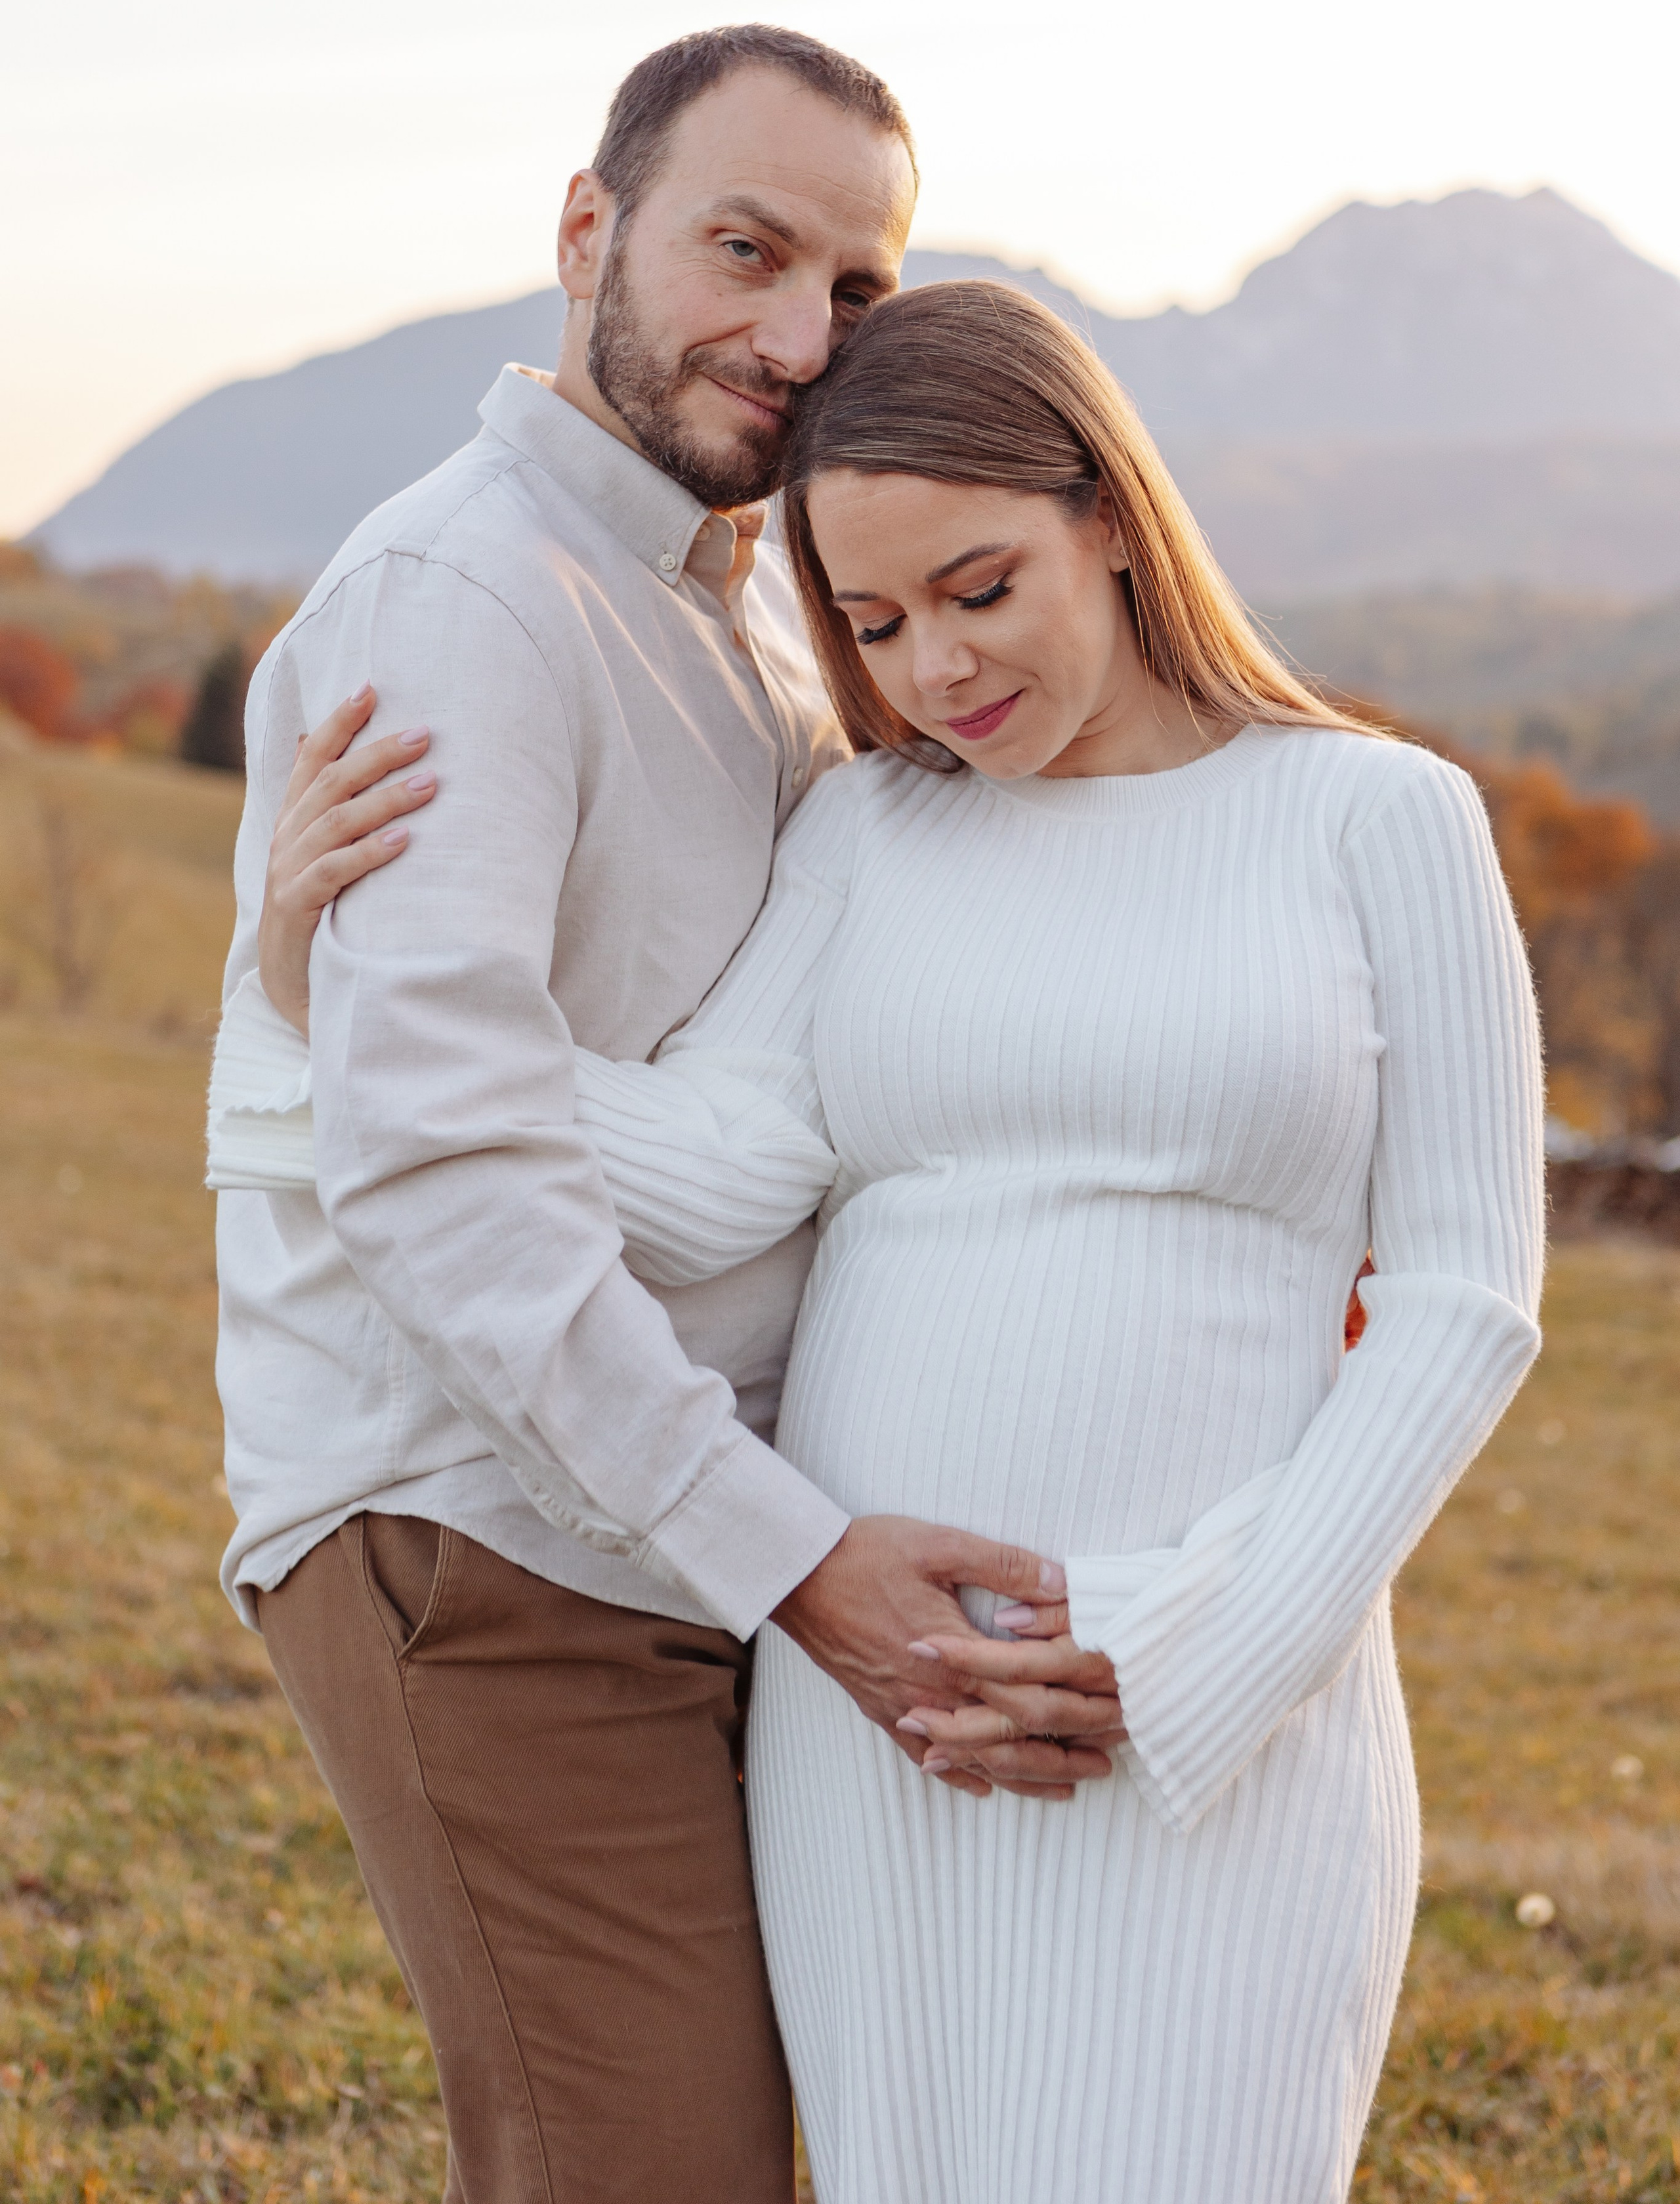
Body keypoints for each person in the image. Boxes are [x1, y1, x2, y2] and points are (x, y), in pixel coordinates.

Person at [221, 278, 1544, 2201]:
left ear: (1109, 509)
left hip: (1219, 1730)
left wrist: (1187, 1654)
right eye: (871, 621)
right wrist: (323, 979)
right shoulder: (868, 838)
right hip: (880, 1729)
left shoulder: (1379, 818)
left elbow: (1464, 1301)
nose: (933, 668)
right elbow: (704, 1161)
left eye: (980, 587)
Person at [208, 32, 1113, 2204]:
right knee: (647, 2169)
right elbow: (444, 1179)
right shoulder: (466, 610)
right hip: (492, 1535)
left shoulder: (767, 631)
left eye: (858, 288)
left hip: (678, 1527)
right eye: (748, 248)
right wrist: (799, 1565)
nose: (802, 339)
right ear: (587, 232)